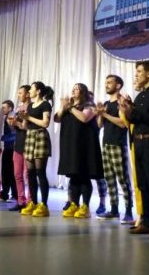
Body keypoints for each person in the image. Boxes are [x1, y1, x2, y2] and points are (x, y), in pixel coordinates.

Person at [119, 61, 149, 240]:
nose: (136, 75)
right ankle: (146, 221)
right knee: (142, 184)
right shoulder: (140, 96)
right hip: (137, 142)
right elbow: (134, 119)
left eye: (139, 71)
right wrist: (128, 108)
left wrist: (132, 112)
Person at [55, 83, 104, 219]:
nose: (74, 90)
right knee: (74, 176)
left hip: (84, 146)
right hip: (70, 145)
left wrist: (70, 107)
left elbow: (84, 118)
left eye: (77, 89)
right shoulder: (69, 106)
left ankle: (85, 206)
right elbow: (57, 119)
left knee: (84, 176)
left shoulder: (89, 105)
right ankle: (74, 204)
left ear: (83, 93)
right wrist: (63, 107)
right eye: (73, 88)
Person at [95, 75, 134, 224]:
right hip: (106, 144)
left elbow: (123, 123)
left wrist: (104, 114)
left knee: (123, 179)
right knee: (109, 179)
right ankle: (114, 210)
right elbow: (100, 125)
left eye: (110, 82)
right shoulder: (106, 103)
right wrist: (100, 114)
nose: (106, 85)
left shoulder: (121, 102)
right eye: (106, 82)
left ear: (118, 85)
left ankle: (129, 211)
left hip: (118, 144)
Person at [20, 82, 54, 217]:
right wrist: (22, 119)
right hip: (30, 136)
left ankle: (44, 205)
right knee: (30, 173)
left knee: (40, 172)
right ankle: (33, 203)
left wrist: (29, 117)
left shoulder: (45, 104)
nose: (30, 91)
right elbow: (25, 126)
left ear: (38, 91)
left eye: (32, 89)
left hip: (40, 136)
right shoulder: (30, 105)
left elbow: (45, 123)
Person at [8, 85, 30, 212]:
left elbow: (26, 127)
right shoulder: (18, 108)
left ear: (27, 94)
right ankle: (21, 201)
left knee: (28, 175)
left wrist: (16, 123)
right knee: (17, 174)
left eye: (21, 93)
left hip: (28, 143)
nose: (18, 95)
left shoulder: (31, 108)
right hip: (18, 143)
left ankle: (30, 201)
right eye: (18, 93)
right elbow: (16, 127)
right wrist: (12, 124)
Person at [0, 100, 17, 202]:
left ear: (10, 108)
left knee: (12, 172)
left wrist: (2, 138)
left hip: (13, 148)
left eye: (4, 107)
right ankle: (4, 193)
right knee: (5, 171)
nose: (2, 109)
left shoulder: (13, 117)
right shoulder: (4, 117)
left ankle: (15, 194)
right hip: (7, 147)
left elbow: (15, 134)